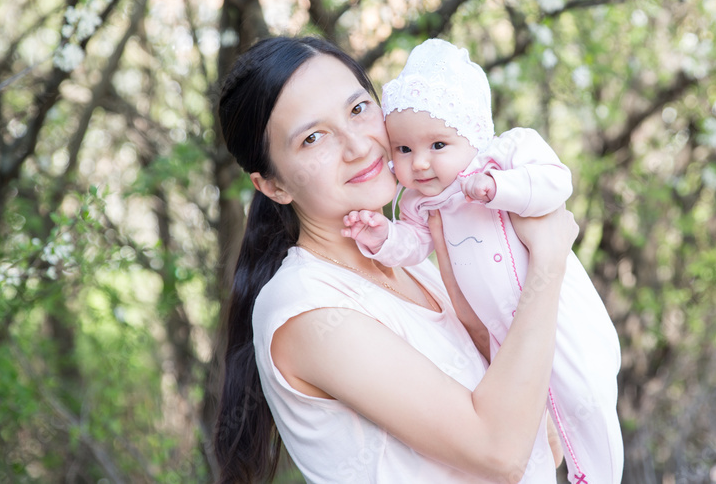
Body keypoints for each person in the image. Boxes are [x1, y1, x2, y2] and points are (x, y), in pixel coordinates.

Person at [214, 36, 579, 484]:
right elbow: (501, 452)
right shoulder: (302, 305)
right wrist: (548, 260)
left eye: (358, 109)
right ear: (274, 186)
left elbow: (544, 443)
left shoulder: (414, 264)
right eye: (313, 138)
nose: (357, 146)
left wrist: (482, 332)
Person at [341, 38, 623, 484]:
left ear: (471, 134)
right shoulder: (419, 203)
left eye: (437, 144)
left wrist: (501, 189)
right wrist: (381, 236)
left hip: (560, 311)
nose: (420, 164)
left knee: (586, 396)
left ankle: (600, 477)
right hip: (501, 334)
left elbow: (556, 183)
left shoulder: (504, 155)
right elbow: (413, 247)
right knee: (532, 414)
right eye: (404, 150)